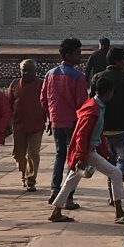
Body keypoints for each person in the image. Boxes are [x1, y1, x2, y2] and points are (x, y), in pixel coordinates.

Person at [49, 76, 124, 225]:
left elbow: (95, 133)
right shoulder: (93, 109)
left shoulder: (96, 106)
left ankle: (56, 211)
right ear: (108, 92)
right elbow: (82, 135)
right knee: (115, 173)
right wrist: (82, 157)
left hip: (87, 150)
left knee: (71, 181)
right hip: (86, 152)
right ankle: (119, 211)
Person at [40, 39, 87, 207]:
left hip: (56, 121)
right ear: (68, 54)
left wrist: (50, 117)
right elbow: (82, 104)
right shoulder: (78, 77)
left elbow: (43, 99)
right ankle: (67, 196)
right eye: (77, 53)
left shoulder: (50, 74)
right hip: (73, 123)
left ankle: (55, 189)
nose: (80, 56)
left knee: (60, 155)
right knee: (73, 159)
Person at [93, 46, 124, 193]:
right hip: (121, 127)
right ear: (118, 61)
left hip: (103, 127)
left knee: (110, 163)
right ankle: (116, 190)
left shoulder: (97, 77)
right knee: (122, 161)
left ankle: (113, 191)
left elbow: (91, 102)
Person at [8, 60, 47, 191]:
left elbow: (48, 103)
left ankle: (31, 179)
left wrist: (50, 120)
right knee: (18, 154)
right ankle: (24, 174)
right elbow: (8, 105)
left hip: (36, 125)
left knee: (33, 153)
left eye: (29, 70)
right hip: (19, 125)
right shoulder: (14, 85)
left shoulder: (42, 84)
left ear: (35, 71)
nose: (26, 73)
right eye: (23, 70)